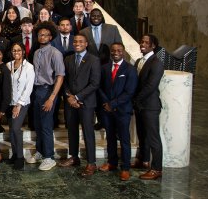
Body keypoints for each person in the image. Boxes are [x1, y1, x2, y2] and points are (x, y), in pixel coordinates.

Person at [58, 33, 101, 176]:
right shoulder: (68, 58)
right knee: (72, 130)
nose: (77, 43)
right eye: (75, 41)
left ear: (86, 43)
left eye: (80, 41)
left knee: (88, 132)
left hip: (86, 102)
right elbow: (64, 80)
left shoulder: (93, 60)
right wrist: (69, 97)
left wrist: (77, 97)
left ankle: (91, 163)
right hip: (70, 102)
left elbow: (95, 83)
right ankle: (74, 157)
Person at [26, 22, 65, 171]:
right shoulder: (36, 53)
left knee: (47, 125)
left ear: (51, 36)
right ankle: (41, 151)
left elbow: (60, 76)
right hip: (36, 91)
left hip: (48, 90)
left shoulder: (55, 53)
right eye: (40, 34)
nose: (42, 37)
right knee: (38, 123)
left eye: (46, 35)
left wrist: (51, 98)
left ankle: (49, 157)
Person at [98, 43, 138, 181]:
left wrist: (113, 104)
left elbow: (130, 92)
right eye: (113, 50)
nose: (116, 52)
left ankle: (125, 168)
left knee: (124, 139)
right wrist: (106, 103)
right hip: (107, 111)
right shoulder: (104, 68)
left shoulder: (130, 69)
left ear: (123, 52)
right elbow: (100, 87)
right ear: (110, 52)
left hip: (123, 110)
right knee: (110, 138)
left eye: (119, 50)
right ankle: (112, 163)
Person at [133, 34, 165, 180]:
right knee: (142, 135)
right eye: (142, 41)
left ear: (153, 46)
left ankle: (157, 169)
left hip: (150, 106)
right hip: (140, 105)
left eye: (146, 42)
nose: (142, 44)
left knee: (153, 138)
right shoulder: (139, 60)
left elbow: (151, 86)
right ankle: (143, 161)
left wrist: (137, 99)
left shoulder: (156, 62)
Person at [6, 43, 35, 170]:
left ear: (23, 52)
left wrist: (19, 104)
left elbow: (28, 88)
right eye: (14, 50)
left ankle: (20, 157)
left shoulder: (29, 67)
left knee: (16, 129)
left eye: (18, 50)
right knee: (11, 129)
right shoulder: (8, 65)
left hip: (22, 103)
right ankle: (14, 154)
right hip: (9, 103)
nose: (16, 52)